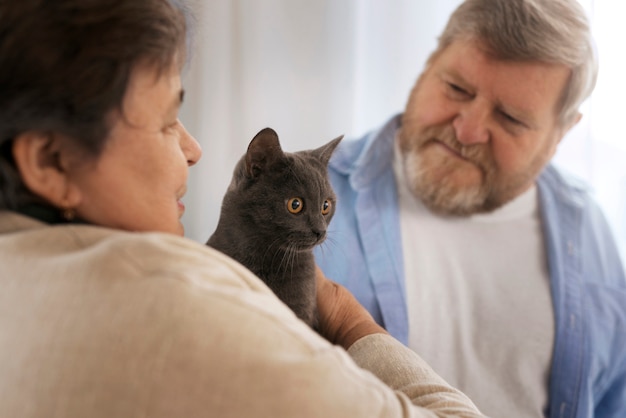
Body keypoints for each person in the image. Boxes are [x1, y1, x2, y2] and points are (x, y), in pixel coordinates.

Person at [0, 1, 487, 417]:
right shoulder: (174, 304)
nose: (194, 148)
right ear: (49, 161)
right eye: (168, 121)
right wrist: (344, 315)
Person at [314, 0, 626, 417]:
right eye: (456, 89)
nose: (468, 129)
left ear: (562, 133)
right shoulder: (305, 197)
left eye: (511, 118)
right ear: (430, 63)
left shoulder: (589, 228)